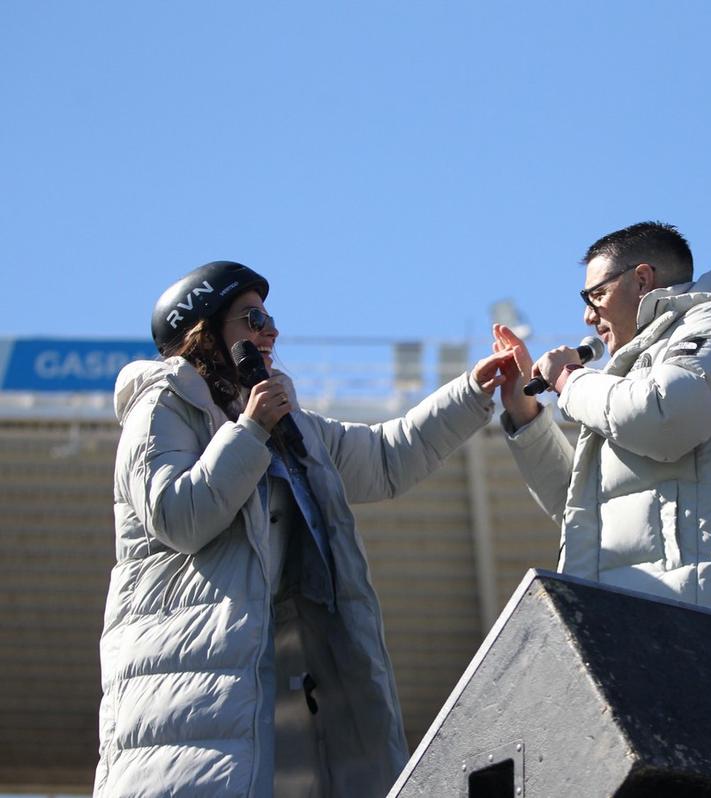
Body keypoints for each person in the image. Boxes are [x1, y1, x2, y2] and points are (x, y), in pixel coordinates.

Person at [95, 261, 520, 797]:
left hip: (255, 706)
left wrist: (474, 388)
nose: (271, 331)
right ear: (204, 332)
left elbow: (386, 458)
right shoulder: (161, 404)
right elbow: (179, 516)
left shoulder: (282, 420)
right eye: (253, 318)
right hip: (180, 711)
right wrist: (251, 431)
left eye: (270, 318)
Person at [492, 221, 711, 623]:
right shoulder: (626, 380)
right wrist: (524, 413)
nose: (588, 316)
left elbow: (668, 418)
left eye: (596, 295)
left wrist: (568, 379)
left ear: (641, 280)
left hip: (702, 617)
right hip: (623, 623)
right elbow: (584, 507)